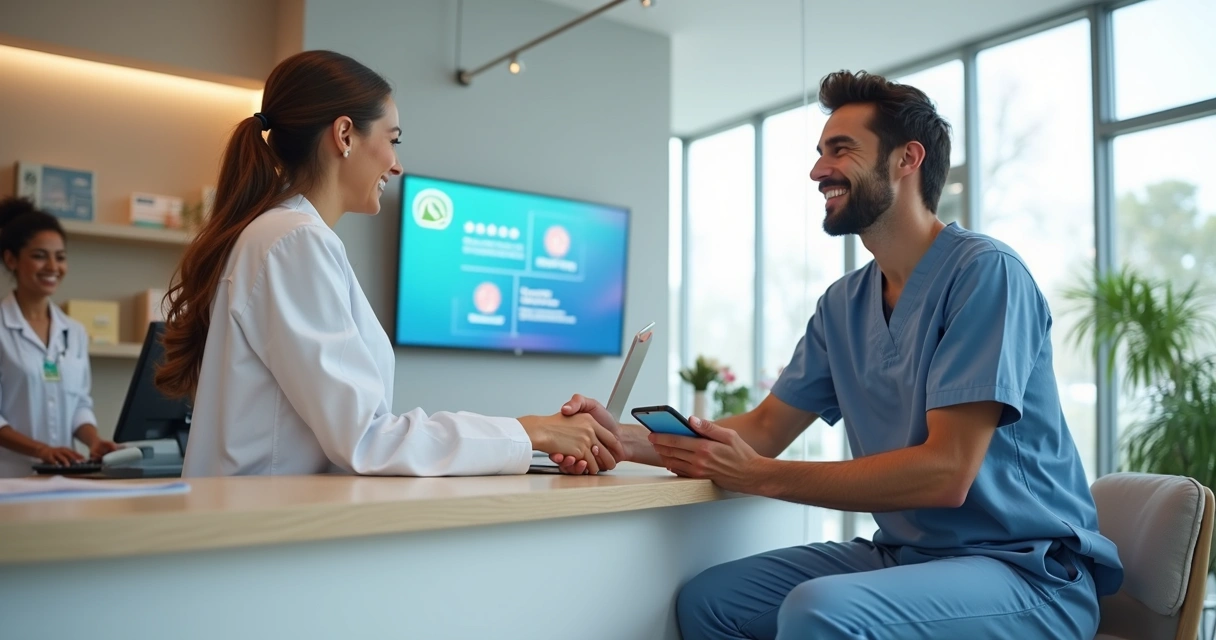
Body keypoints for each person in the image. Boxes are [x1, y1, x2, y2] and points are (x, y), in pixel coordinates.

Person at [558, 70, 1123, 639]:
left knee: (819, 610)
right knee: (711, 602)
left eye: (841, 149)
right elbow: (764, 427)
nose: (817, 169)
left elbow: (946, 473)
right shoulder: (842, 304)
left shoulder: (985, 274)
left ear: (908, 159)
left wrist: (761, 477)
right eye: (820, 151)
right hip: (907, 557)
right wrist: (619, 439)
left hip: (1025, 574)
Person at [156, 50, 620, 477]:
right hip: (263, 536)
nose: (396, 165)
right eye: (391, 140)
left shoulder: (281, 236)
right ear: (344, 136)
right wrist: (529, 430)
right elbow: (366, 439)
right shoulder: (294, 240)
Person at [0, 197, 118, 476]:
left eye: (61, 257)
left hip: (64, 476)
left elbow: (80, 403)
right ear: (11, 259)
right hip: (8, 479)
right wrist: (41, 450)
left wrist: (94, 441)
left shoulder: (74, 332)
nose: (53, 266)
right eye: (40, 255)